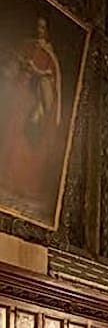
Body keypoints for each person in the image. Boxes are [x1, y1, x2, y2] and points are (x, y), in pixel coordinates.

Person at [0, 15, 64, 209]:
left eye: (43, 27)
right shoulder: (28, 46)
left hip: (34, 105)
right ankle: (7, 181)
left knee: (27, 144)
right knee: (12, 136)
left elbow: (50, 82)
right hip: (21, 100)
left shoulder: (49, 55)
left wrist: (37, 72)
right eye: (38, 26)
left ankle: (24, 185)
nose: (40, 30)